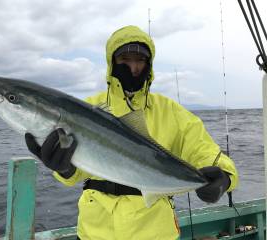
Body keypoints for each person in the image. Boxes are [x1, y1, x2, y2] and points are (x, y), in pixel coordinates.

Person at [25, 25, 238, 240]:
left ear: (149, 64)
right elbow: (76, 174)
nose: (133, 67)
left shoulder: (171, 112)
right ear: (112, 62)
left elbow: (205, 152)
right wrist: (65, 170)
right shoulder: (88, 108)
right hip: (95, 231)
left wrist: (224, 178)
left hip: (155, 232)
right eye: (125, 59)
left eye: (140, 60)